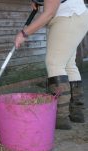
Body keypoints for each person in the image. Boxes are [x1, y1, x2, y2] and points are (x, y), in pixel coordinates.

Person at [15, 0, 88, 130]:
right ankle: (77, 112)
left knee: (55, 63)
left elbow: (49, 13)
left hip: (68, 17)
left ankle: (60, 117)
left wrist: (24, 34)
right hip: (74, 16)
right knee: (68, 64)